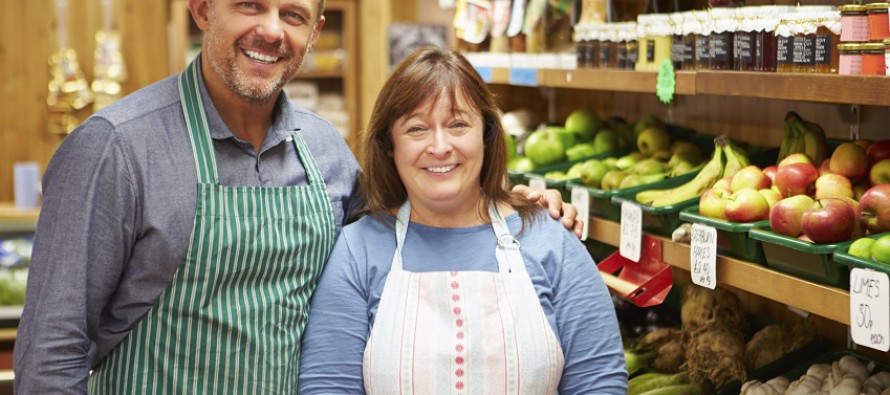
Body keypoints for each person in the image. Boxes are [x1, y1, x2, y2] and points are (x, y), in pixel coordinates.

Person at [13, 1, 577, 393]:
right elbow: (50, 354)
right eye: (250, 6)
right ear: (203, 9)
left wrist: (513, 211)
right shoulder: (114, 148)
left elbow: (416, 229)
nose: (272, 31)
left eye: (294, 15)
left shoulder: (326, 150)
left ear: (314, 31)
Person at [298, 47, 627, 394]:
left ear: (485, 135)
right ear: (389, 145)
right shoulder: (357, 251)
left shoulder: (551, 240)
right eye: (417, 128)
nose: (440, 146)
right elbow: (328, 386)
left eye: (458, 124)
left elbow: (599, 383)